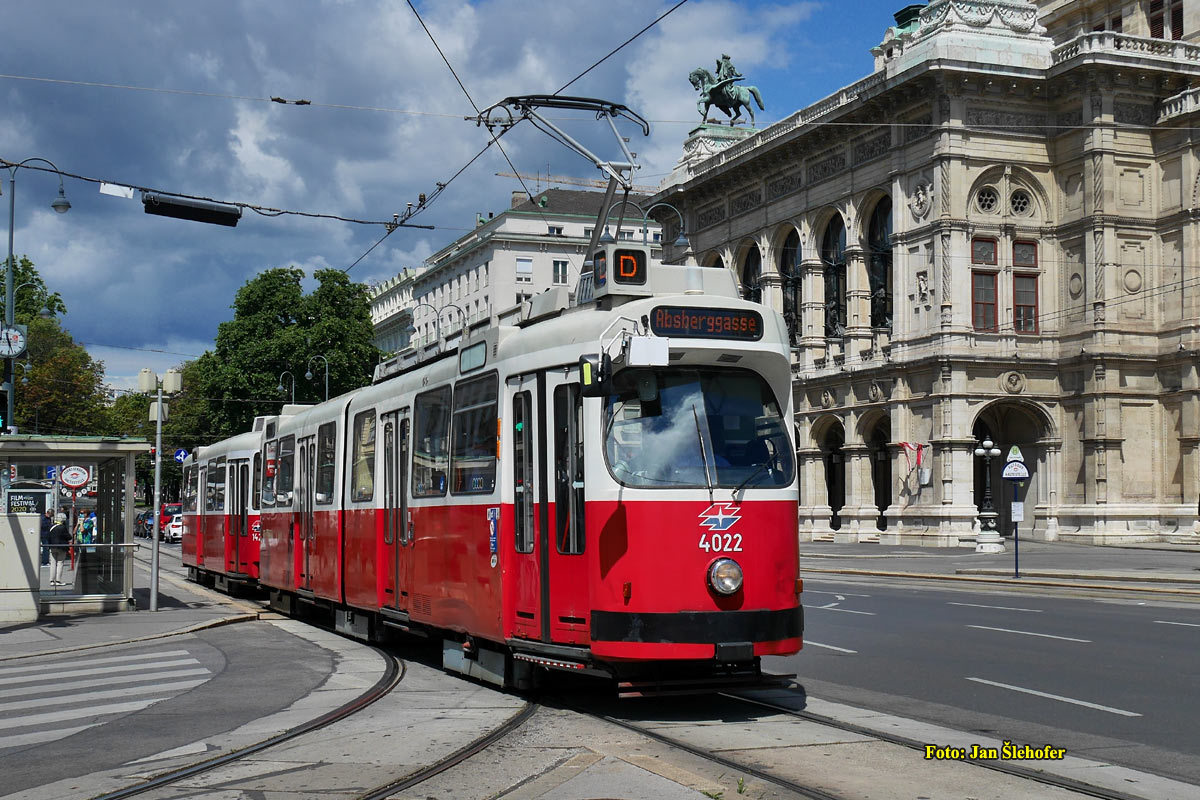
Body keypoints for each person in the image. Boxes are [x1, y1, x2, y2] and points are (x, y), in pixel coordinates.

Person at [48, 512, 71, 587]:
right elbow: (68, 537)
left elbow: (48, 536)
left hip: (52, 546)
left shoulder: (51, 526)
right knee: (60, 563)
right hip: (61, 547)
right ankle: (58, 580)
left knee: (53, 563)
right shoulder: (62, 527)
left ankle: (52, 580)